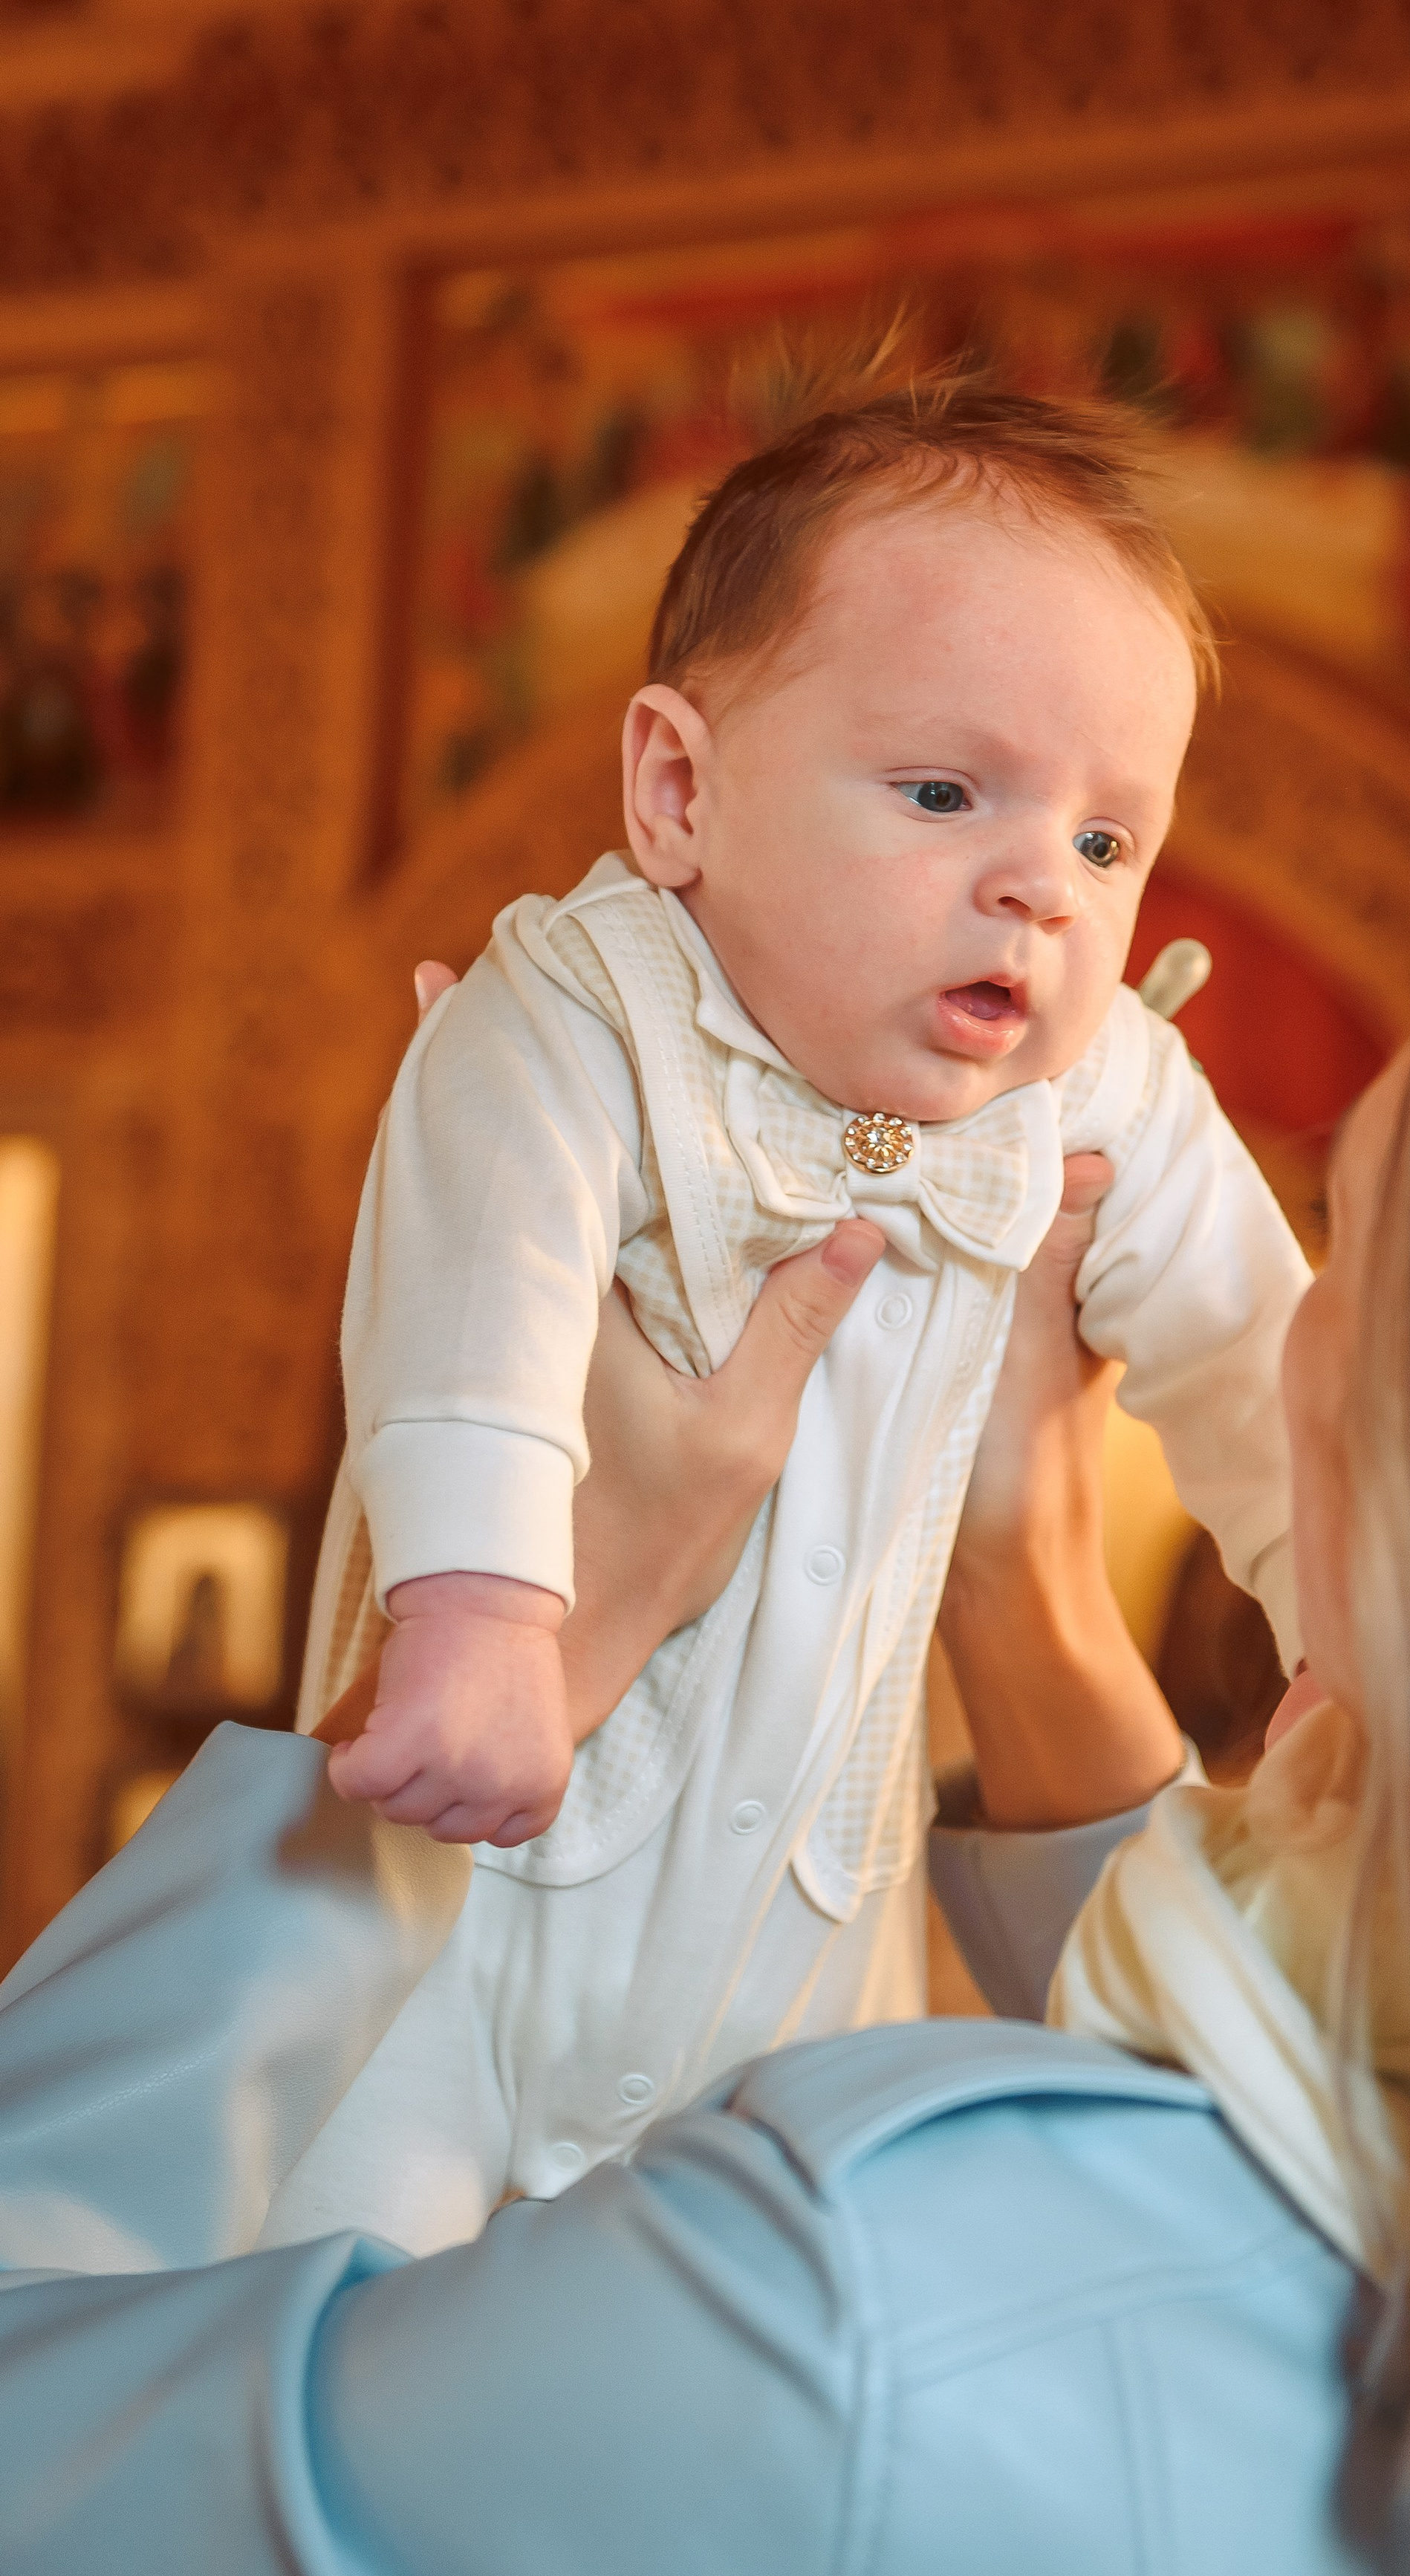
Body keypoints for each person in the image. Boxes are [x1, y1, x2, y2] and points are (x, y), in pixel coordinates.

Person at [4, 814, 1410, 2576]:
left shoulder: (848, 2312)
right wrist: (1024, 1577)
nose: (1280, 1337)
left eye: (1345, 1259)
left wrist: (540, 1651)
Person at [287, 375, 1310, 2247]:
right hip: (470, 1897)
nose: (1043, 890)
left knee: (761, 2294)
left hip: (804, 1931)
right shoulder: (577, 1006)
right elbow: (478, 1295)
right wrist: (483, 1609)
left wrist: (1351, 1627)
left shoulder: (1103, 1091)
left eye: (1106, 845)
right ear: (679, 791)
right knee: (331, 2271)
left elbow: (1263, 1358)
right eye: (944, 792)